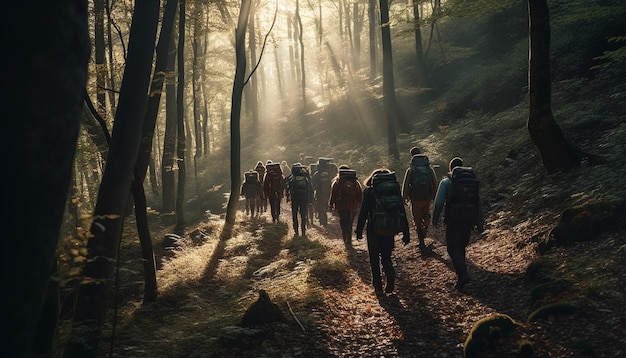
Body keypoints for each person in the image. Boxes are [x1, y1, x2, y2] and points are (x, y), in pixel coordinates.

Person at [432, 157, 485, 291]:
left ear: (451, 168)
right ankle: (462, 276)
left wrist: (435, 219)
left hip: (453, 218)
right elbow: (478, 203)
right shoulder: (472, 181)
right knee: (461, 245)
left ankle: (462, 273)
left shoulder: (446, 182)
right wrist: (480, 224)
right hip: (469, 217)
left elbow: (438, 203)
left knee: (452, 247)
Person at [355, 169, 410, 295]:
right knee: (386, 255)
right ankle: (390, 274)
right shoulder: (395, 192)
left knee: (374, 258)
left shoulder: (369, 192)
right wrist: (406, 233)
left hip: (374, 228)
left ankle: (378, 288)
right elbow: (402, 212)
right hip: (390, 228)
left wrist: (359, 231)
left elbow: (363, 212)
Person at [401, 146, 439, 252]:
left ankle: (421, 240)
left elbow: (406, 184)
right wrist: (434, 197)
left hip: (415, 199)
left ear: (411, 156)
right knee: (426, 216)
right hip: (427, 198)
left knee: (417, 219)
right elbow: (435, 183)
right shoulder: (429, 169)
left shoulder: (411, 170)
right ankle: (425, 231)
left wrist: (403, 198)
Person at [329, 165, 362, 245]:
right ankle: (349, 239)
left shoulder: (337, 182)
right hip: (352, 206)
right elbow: (359, 193)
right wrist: (359, 204)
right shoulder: (355, 182)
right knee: (350, 222)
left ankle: (345, 238)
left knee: (343, 222)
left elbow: (333, 194)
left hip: (341, 205)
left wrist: (330, 205)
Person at [285, 163, 313, 236]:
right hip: (304, 199)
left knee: (295, 215)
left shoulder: (292, 179)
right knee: (303, 215)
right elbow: (310, 189)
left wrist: (287, 197)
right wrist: (310, 200)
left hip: (295, 199)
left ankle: (296, 231)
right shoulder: (306, 178)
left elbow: (288, 189)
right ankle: (303, 231)